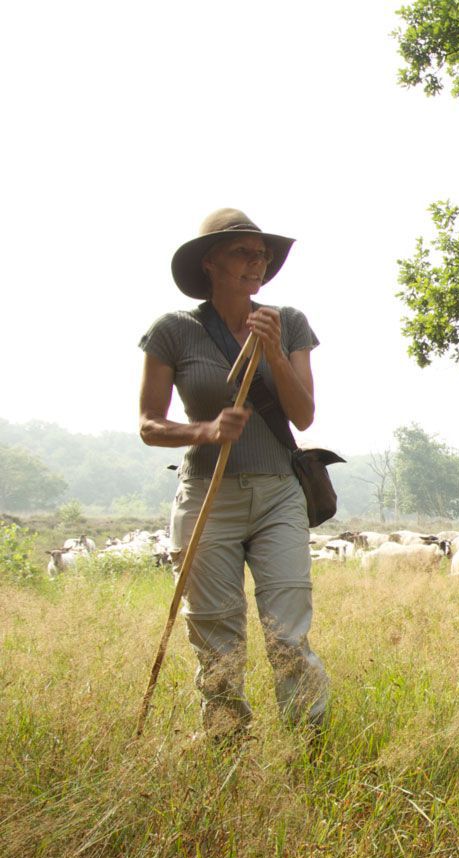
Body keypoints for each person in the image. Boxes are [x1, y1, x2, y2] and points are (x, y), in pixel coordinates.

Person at [139, 208, 330, 737]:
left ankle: (306, 746)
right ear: (210, 264)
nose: (258, 261)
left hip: (278, 497)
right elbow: (149, 425)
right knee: (217, 636)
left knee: (288, 634)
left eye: (262, 254)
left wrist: (271, 348)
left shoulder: (286, 322)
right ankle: (227, 746)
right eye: (243, 252)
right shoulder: (172, 332)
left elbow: (304, 414)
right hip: (207, 495)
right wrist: (204, 432)